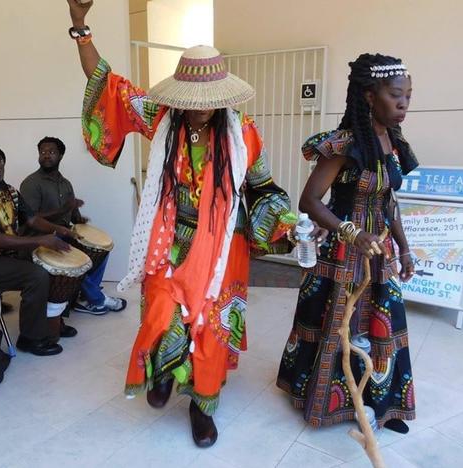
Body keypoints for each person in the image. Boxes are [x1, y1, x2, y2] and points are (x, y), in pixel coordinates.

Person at [65, 0, 325, 448]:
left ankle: (203, 408)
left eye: (210, 102)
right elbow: (106, 84)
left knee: (209, 328)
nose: (201, 109)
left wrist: (289, 224)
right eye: (194, 101)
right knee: (162, 315)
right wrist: (80, 27)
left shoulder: (244, 133)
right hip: (168, 239)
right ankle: (164, 370)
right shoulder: (164, 118)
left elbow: (263, 189)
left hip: (222, 247)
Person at [277, 53, 418, 434]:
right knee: (338, 325)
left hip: (380, 253)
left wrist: (403, 248)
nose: (403, 103)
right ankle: (328, 403)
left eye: (408, 95)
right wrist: (352, 233)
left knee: (379, 328)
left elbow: (389, 201)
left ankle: (379, 403)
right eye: (395, 95)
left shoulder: (394, 142)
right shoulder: (343, 144)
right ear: (370, 96)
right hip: (341, 255)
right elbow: (308, 201)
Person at [0, 144, 77, 357]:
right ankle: (31, 338)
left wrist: (58, 229)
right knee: (37, 275)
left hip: (8, 257)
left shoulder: (11, 192)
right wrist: (41, 240)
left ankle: (54, 322)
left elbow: (32, 219)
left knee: (55, 266)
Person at [19, 136, 127, 315]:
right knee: (78, 258)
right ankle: (96, 299)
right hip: (39, 239)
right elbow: (30, 218)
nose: (46, 155)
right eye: (43, 152)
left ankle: (85, 296)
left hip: (63, 233)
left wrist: (78, 217)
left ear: (60, 156)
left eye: (51, 152)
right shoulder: (32, 183)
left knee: (102, 250)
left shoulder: (65, 183)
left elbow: (72, 215)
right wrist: (64, 209)